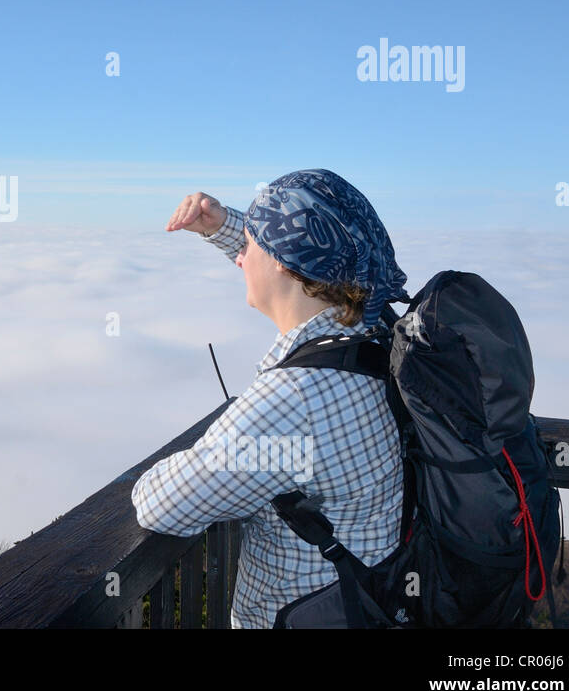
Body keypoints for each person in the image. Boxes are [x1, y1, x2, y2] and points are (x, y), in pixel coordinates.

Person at [130, 168, 410, 628]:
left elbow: (164, 503)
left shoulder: (293, 400)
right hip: (369, 602)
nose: (242, 257)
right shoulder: (369, 331)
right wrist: (222, 227)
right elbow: (298, 256)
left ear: (283, 261)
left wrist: (169, 466)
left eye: (252, 243)